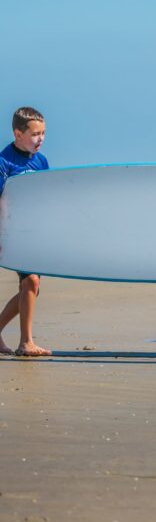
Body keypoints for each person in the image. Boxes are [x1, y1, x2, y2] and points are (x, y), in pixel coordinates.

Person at [0, 107, 51, 357]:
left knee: (31, 288)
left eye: (42, 133)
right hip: (12, 232)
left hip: (34, 232)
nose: (39, 139)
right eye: (34, 134)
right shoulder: (4, 162)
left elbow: (46, 198)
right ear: (18, 134)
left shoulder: (41, 162)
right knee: (31, 282)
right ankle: (26, 343)